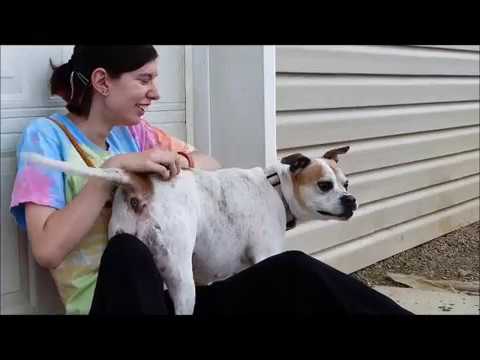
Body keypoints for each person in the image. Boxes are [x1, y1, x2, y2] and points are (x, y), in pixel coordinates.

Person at [10, 45, 412, 316]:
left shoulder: (138, 133)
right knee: (128, 254)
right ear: (102, 82)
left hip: (179, 299)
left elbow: (209, 163)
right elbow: (47, 249)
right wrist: (114, 172)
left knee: (292, 270)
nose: (155, 92)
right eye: (144, 79)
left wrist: (175, 159)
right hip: (114, 301)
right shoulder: (46, 139)